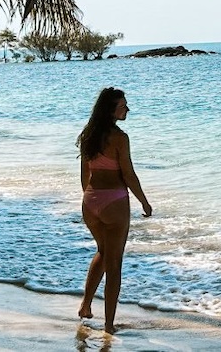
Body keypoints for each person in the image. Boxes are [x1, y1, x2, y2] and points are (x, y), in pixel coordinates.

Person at [76, 87, 153, 333]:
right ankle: (109, 325)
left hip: (90, 202)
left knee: (103, 252)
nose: (127, 109)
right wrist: (144, 201)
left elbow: (84, 175)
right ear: (111, 109)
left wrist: (91, 200)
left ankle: (86, 306)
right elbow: (128, 175)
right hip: (114, 202)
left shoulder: (88, 134)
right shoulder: (120, 138)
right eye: (123, 106)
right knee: (115, 263)